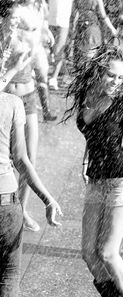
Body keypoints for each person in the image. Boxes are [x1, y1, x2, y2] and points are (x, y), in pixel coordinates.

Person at [64, 44, 123, 297]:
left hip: (122, 182)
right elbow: (91, 131)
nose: (115, 81)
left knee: (108, 252)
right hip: (95, 181)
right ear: (100, 72)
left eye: (119, 77)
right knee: (88, 252)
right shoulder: (85, 97)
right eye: (110, 75)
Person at [0, 51, 62, 297]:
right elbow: (22, 160)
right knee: (9, 270)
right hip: (6, 202)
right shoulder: (12, 104)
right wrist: (47, 198)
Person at [0, 0, 43, 232]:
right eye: (13, 19)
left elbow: (38, 50)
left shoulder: (28, 31)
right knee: (7, 160)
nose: (17, 22)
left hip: (28, 98)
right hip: (6, 102)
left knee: (30, 159)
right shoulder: (2, 38)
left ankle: (22, 210)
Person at [66, 0, 117, 70]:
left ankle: (82, 72)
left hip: (81, 27)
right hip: (92, 28)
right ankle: (89, 73)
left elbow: (73, 15)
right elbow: (103, 16)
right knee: (92, 55)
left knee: (81, 55)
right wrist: (112, 28)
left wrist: (71, 30)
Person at [48, 0, 73, 90]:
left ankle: (53, 78)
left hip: (63, 21)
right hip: (50, 19)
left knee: (59, 50)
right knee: (47, 49)